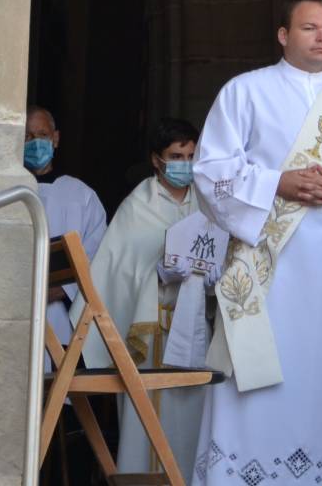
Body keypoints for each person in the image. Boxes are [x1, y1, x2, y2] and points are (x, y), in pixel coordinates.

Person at [191, 0, 322, 485]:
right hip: (265, 268)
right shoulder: (245, 92)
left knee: (319, 382)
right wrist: (276, 184)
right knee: (253, 383)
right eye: (310, 28)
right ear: (284, 35)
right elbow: (211, 170)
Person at [77, 119, 206, 479]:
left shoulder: (207, 202)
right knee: (146, 422)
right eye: (176, 156)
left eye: (191, 156)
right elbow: (116, 269)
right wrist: (158, 270)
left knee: (196, 417)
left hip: (196, 326)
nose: (185, 164)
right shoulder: (137, 205)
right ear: (156, 159)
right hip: (149, 331)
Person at [25, 106, 107, 351]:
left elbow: (98, 252)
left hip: (62, 312)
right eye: (27, 136)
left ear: (56, 138)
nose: (35, 142)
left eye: (42, 135)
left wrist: (63, 289)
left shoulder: (81, 195)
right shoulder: (7, 190)